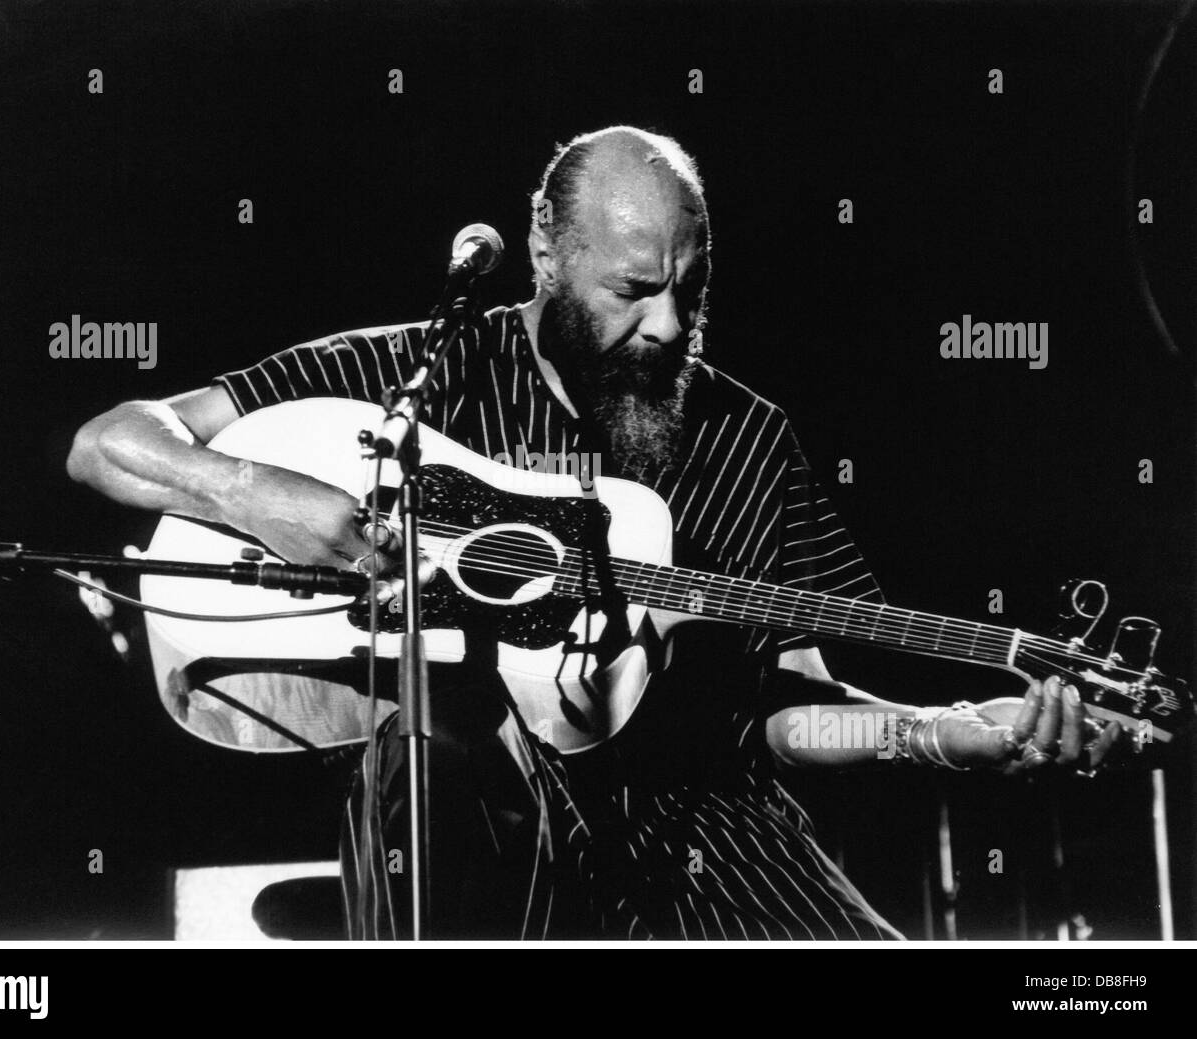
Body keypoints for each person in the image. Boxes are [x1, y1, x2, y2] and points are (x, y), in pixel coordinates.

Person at [66, 126, 1122, 940]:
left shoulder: (745, 439)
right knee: (434, 759)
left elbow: (785, 711)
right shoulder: (410, 370)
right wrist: (254, 490)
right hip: (468, 829)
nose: (665, 325)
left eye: (691, 294)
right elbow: (110, 443)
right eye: (632, 290)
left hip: (705, 833)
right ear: (545, 251)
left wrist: (941, 731)